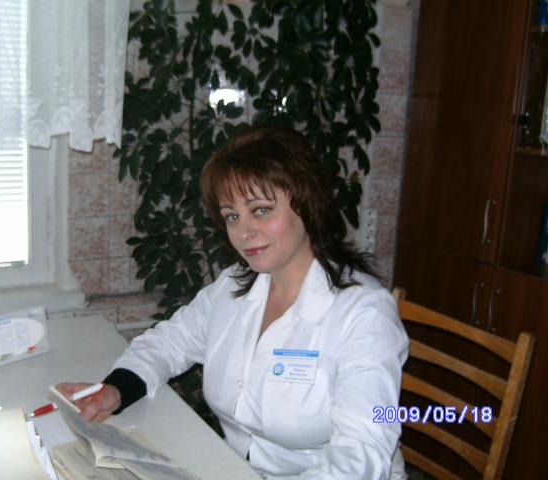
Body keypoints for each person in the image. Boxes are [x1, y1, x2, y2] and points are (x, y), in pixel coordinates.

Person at [58, 126, 409, 479]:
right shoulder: (235, 286)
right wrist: (116, 389)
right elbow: (169, 342)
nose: (244, 232)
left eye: (261, 210)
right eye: (232, 216)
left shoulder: (364, 314)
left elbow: (362, 456)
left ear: (307, 204)